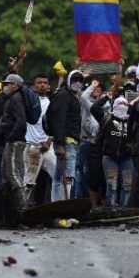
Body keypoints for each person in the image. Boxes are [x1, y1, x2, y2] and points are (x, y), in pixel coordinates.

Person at [46, 70, 83, 200]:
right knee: (67, 177)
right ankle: (63, 205)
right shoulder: (64, 96)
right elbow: (59, 120)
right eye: (74, 80)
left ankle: (56, 203)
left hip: (67, 141)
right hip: (66, 142)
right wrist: (61, 144)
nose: (77, 83)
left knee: (59, 177)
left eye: (80, 80)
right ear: (68, 81)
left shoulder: (71, 96)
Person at [91, 94, 134, 207]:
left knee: (127, 186)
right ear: (114, 105)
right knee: (112, 186)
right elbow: (94, 108)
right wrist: (106, 97)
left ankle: (124, 210)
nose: (122, 106)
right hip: (110, 158)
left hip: (126, 158)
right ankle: (111, 210)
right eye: (120, 103)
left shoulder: (131, 121)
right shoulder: (107, 118)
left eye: (125, 104)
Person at [23, 74, 57, 205]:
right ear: (33, 86)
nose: (43, 85)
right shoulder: (28, 102)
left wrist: (48, 141)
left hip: (47, 147)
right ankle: (21, 206)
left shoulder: (52, 103)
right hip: (32, 147)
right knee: (29, 182)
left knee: (59, 177)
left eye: (45, 83)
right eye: (39, 82)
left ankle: (59, 205)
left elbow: (55, 125)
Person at [0, 74, 27, 209]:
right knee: (8, 172)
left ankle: (23, 203)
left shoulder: (16, 98)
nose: (5, 86)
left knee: (13, 173)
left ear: (15, 85)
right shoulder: (13, 98)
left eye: (8, 84)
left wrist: (11, 136)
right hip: (14, 140)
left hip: (15, 140)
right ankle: (11, 204)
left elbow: (21, 121)